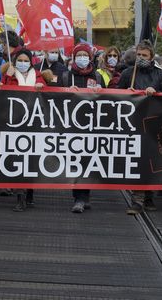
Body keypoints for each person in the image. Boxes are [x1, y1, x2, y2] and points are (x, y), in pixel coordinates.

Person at [118, 40, 162, 214]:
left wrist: (156, 93)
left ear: (151, 57)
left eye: (144, 55)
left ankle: (149, 196)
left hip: (154, 122)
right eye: (138, 55)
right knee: (139, 161)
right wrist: (128, 93)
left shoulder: (161, 75)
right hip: (134, 123)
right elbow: (116, 95)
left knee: (152, 161)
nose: (140, 58)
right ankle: (137, 199)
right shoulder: (127, 73)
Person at [58, 44, 106, 213]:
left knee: (88, 161)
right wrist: (65, 91)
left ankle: (84, 196)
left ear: (90, 58)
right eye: (79, 55)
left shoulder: (98, 77)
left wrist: (101, 92)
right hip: (71, 125)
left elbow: (109, 100)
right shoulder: (65, 76)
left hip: (92, 125)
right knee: (75, 161)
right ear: (74, 57)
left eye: (86, 55)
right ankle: (79, 197)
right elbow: (54, 98)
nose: (83, 58)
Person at [1, 49, 46, 211]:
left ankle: (30, 193)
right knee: (18, 158)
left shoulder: (39, 76)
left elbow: (48, 97)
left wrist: (43, 87)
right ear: (14, 61)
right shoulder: (9, 75)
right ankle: (20, 196)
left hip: (34, 123)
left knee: (32, 159)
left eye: (26, 60)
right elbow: (3, 95)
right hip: (15, 123)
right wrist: (7, 77)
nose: (23, 63)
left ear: (31, 62)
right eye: (19, 60)